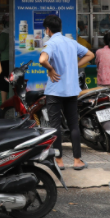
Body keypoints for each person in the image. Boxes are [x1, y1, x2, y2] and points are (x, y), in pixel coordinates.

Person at [39, 15, 94, 171]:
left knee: (55, 125)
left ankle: (59, 160)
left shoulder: (50, 43)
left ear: (48, 30)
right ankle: (77, 161)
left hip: (55, 91)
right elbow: (90, 55)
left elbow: (42, 60)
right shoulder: (71, 42)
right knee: (73, 125)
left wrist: (50, 69)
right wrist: (75, 65)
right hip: (71, 90)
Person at [0, 21, 11, 104]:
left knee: (4, 82)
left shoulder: (4, 33)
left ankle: (4, 104)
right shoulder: (16, 30)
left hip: (5, 59)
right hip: (16, 60)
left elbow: (1, 47)